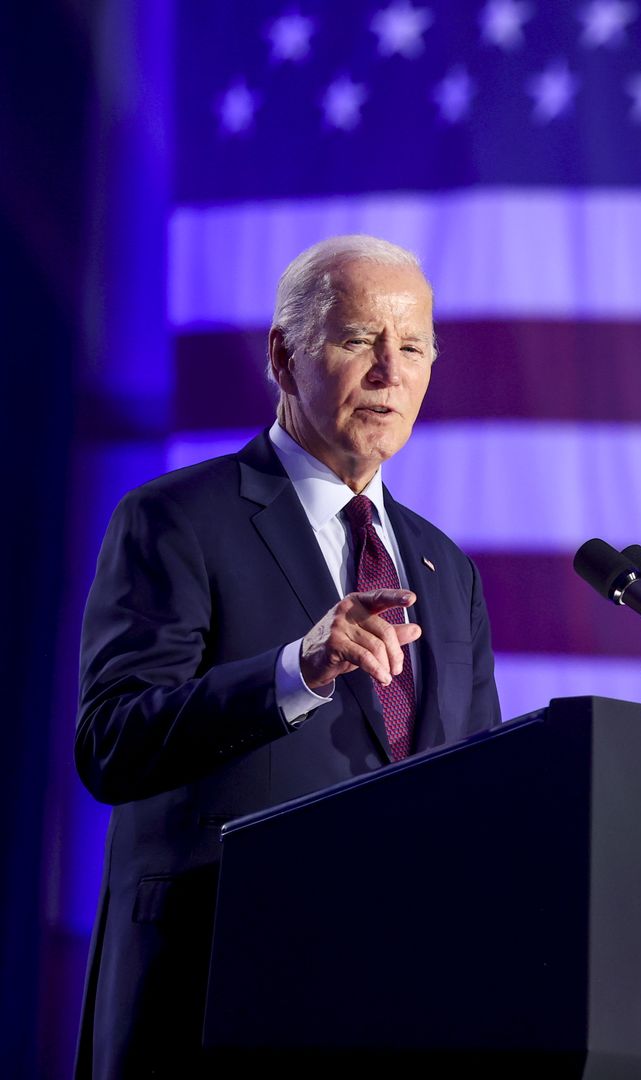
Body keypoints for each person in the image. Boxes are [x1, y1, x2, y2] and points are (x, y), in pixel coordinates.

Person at [74, 235, 502, 1077]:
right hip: (211, 999)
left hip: (391, 1006)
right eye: (358, 340)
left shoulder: (444, 568)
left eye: (411, 347)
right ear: (283, 354)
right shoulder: (175, 520)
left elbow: (475, 786)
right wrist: (293, 673)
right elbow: (112, 742)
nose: (389, 371)